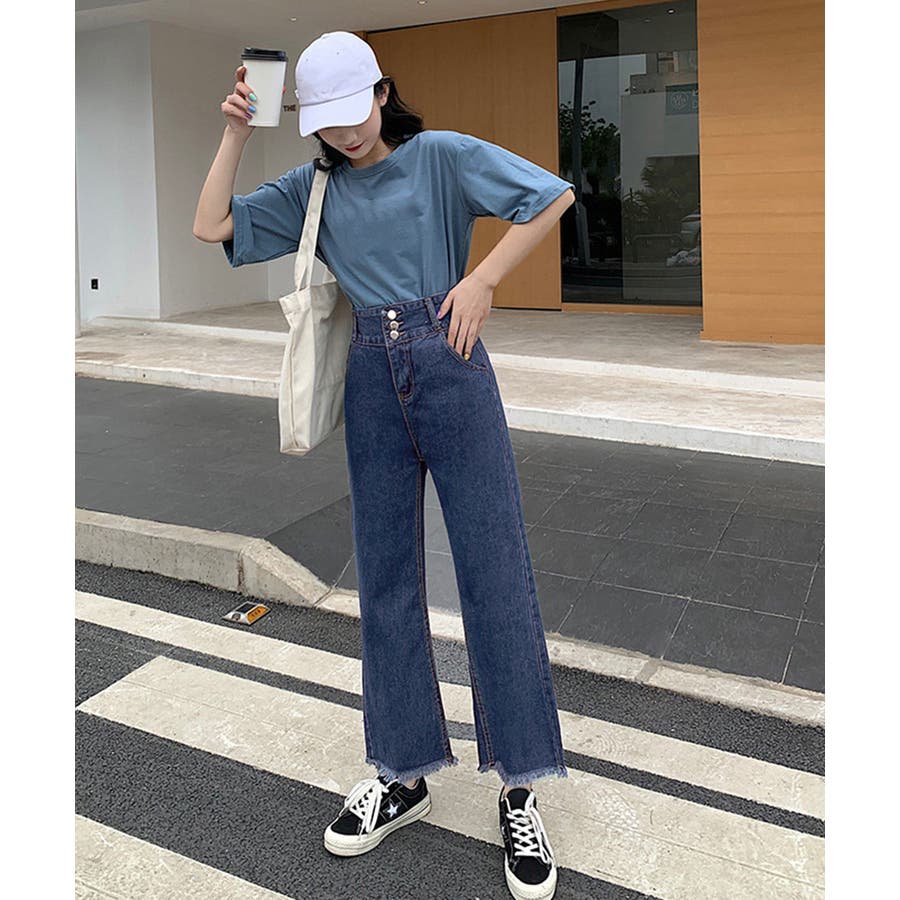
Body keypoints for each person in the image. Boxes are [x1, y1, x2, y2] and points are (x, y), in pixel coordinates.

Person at [193, 31, 575, 900]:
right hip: (370, 375)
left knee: (495, 572)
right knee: (388, 578)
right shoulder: (314, 187)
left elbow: (550, 196)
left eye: (354, 110)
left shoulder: (439, 157)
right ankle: (402, 772)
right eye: (324, 120)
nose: (345, 131)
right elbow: (212, 225)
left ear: (381, 91)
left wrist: (482, 280)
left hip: (452, 359)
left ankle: (520, 786)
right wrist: (236, 132)